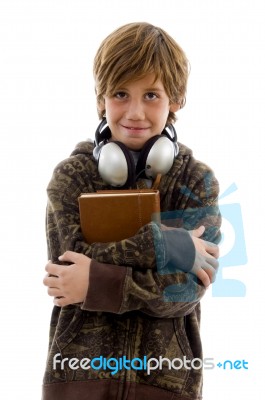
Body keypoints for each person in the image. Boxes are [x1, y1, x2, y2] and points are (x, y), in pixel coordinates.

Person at [42, 22, 221, 400]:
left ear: (176, 100)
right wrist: (166, 246)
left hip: (167, 384)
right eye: (121, 93)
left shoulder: (197, 182)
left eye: (152, 95)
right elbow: (68, 272)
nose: (135, 111)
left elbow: (186, 290)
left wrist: (97, 283)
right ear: (101, 99)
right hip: (77, 381)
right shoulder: (72, 176)